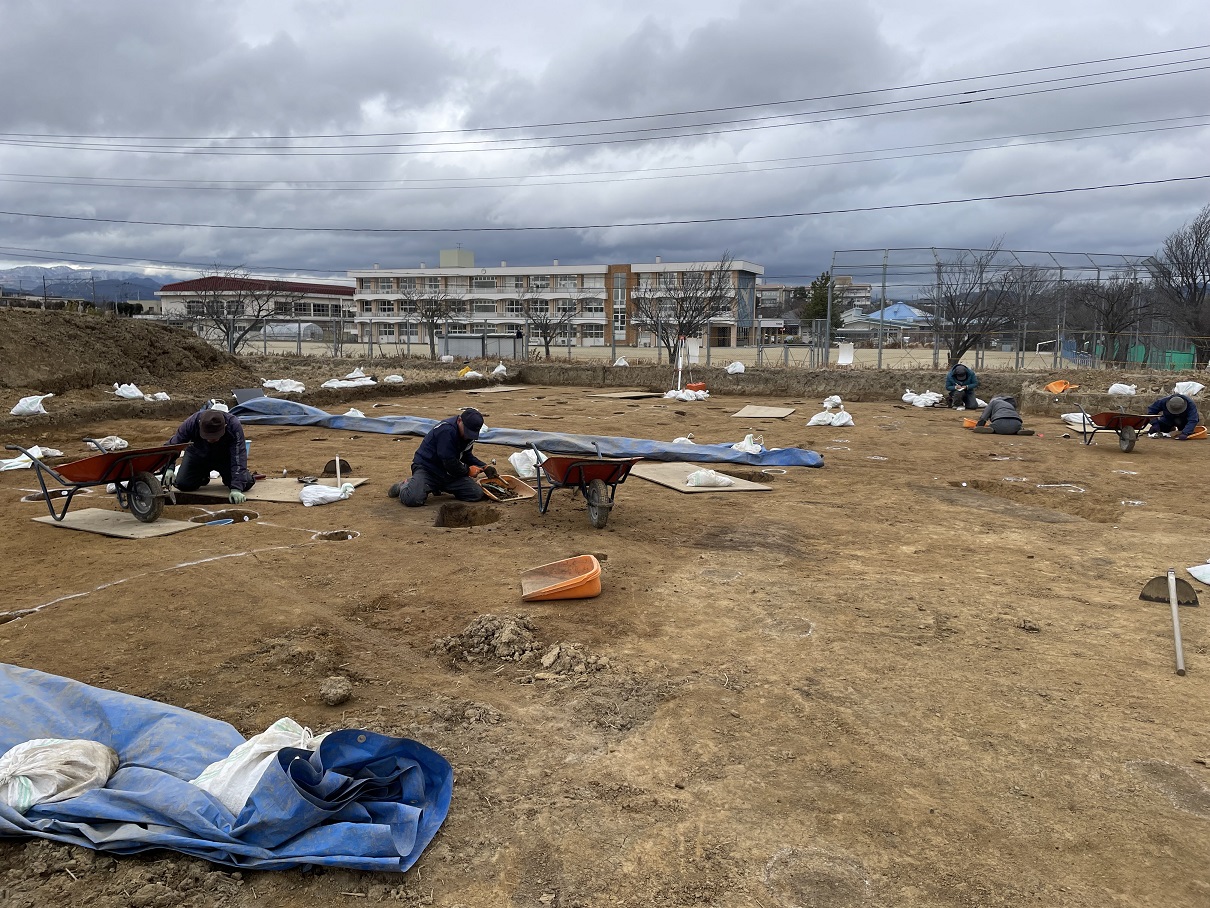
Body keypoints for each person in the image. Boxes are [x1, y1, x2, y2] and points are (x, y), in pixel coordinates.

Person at [389, 407, 497, 507]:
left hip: (448, 473)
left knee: (476, 494)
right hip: (428, 469)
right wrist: (468, 471)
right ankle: (405, 485)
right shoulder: (446, 431)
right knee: (413, 499)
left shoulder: (468, 435)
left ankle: (437, 486)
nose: (468, 436)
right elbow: (449, 461)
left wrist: (484, 466)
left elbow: (466, 455)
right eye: (467, 431)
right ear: (459, 420)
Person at [166, 407, 256, 503]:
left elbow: (239, 455)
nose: (211, 440)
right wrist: (169, 467)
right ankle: (202, 477)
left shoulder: (233, 425)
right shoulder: (191, 423)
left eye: (215, 437)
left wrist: (236, 488)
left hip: (225, 458)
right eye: (207, 436)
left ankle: (229, 477)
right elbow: (173, 445)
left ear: (225, 426)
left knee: (245, 484)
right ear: (200, 425)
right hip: (197, 455)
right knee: (183, 484)